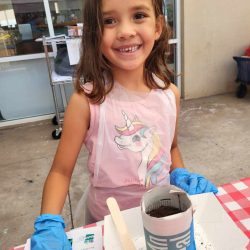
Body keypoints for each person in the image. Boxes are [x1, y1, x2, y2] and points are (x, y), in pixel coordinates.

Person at [31, 0, 218, 249]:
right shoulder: (86, 102)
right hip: (108, 223)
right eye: (109, 21)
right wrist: (49, 223)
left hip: (163, 219)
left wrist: (181, 174)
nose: (126, 31)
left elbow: (170, 149)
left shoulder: (170, 94)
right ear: (95, 34)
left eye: (139, 15)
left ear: (158, 27)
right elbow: (60, 172)